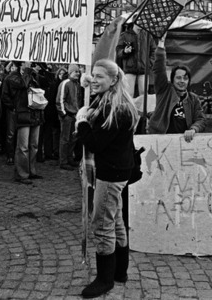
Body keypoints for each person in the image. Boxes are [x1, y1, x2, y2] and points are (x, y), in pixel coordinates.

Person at [75, 59, 139, 298]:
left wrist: (81, 122)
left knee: (102, 224)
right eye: (93, 75)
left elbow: (95, 142)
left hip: (112, 173)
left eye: (99, 76)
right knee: (116, 222)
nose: (94, 80)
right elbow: (99, 111)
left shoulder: (117, 108)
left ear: (113, 80)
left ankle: (105, 279)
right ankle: (119, 271)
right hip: (118, 169)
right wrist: (85, 87)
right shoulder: (113, 100)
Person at [148, 33, 205, 140]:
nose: (182, 81)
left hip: (183, 142)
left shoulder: (193, 99)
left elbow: (200, 119)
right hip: (159, 138)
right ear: (172, 79)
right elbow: (159, 69)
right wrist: (161, 44)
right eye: (178, 78)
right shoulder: (164, 90)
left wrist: (193, 129)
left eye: (185, 78)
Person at [2, 62, 44, 184]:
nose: (31, 62)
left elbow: (46, 83)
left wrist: (38, 72)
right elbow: (20, 86)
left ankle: (32, 170)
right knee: (23, 146)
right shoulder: (12, 77)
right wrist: (14, 108)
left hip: (35, 113)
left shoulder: (33, 75)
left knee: (34, 145)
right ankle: (22, 174)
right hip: (22, 113)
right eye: (28, 60)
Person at [116, 21, 156, 98]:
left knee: (144, 95)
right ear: (134, 23)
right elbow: (118, 51)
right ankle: (129, 110)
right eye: (139, 22)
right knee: (129, 94)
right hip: (129, 69)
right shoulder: (125, 35)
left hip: (143, 69)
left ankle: (142, 110)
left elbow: (154, 50)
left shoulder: (148, 35)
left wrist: (149, 63)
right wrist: (124, 51)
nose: (141, 25)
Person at [56, 63, 81, 171]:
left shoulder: (77, 84)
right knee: (65, 139)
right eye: (76, 71)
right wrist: (63, 114)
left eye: (78, 72)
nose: (78, 74)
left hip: (74, 115)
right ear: (71, 72)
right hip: (67, 116)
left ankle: (70, 158)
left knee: (73, 139)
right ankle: (63, 161)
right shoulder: (65, 83)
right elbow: (59, 100)